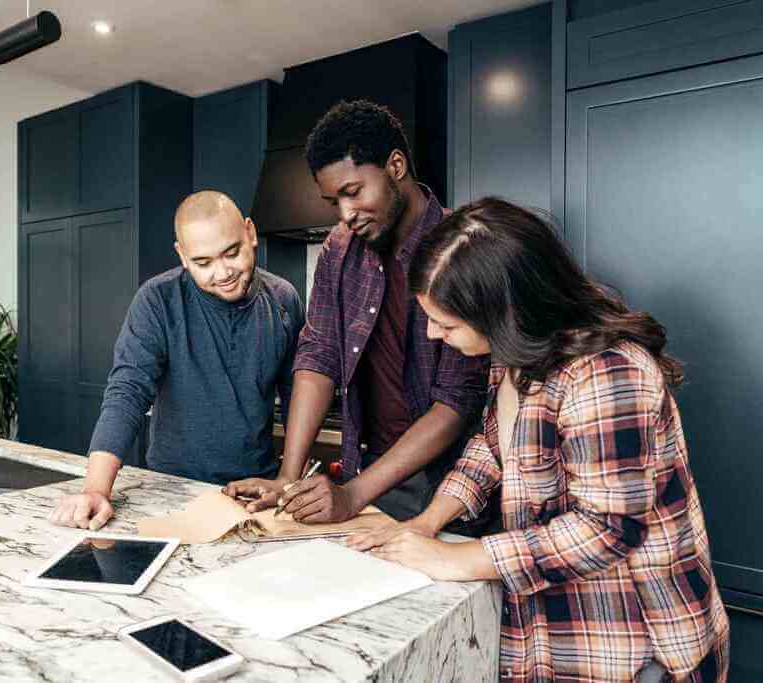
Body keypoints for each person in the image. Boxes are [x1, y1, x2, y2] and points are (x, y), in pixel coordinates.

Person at [349, 198, 730, 681]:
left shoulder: (607, 373)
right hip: (558, 633)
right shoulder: (516, 358)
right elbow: (492, 450)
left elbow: (606, 528)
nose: (433, 334)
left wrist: (459, 558)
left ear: (502, 311)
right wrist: (425, 524)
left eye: (446, 323)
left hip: (638, 643)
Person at [225, 100, 489, 526]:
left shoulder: (460, 249)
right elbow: (318, 354)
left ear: (396, 165)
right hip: (366, 473)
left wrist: (351, 494)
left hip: (452, 485)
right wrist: (289, 477)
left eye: (353, 192)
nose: (346, 214)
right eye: (334, 202)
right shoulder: (339, 247)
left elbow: (457, 400)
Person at [49, 191, 304, 530]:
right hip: (172, 489)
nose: (223, 272)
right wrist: (96, 489)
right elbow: (127, 392)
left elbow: (298, 396)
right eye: (203, 262)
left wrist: (294, 478)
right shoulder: (157, 300)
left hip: (257, 491)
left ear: (250, 233)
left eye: (232, 253)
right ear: (182, 255)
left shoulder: (284, 299)